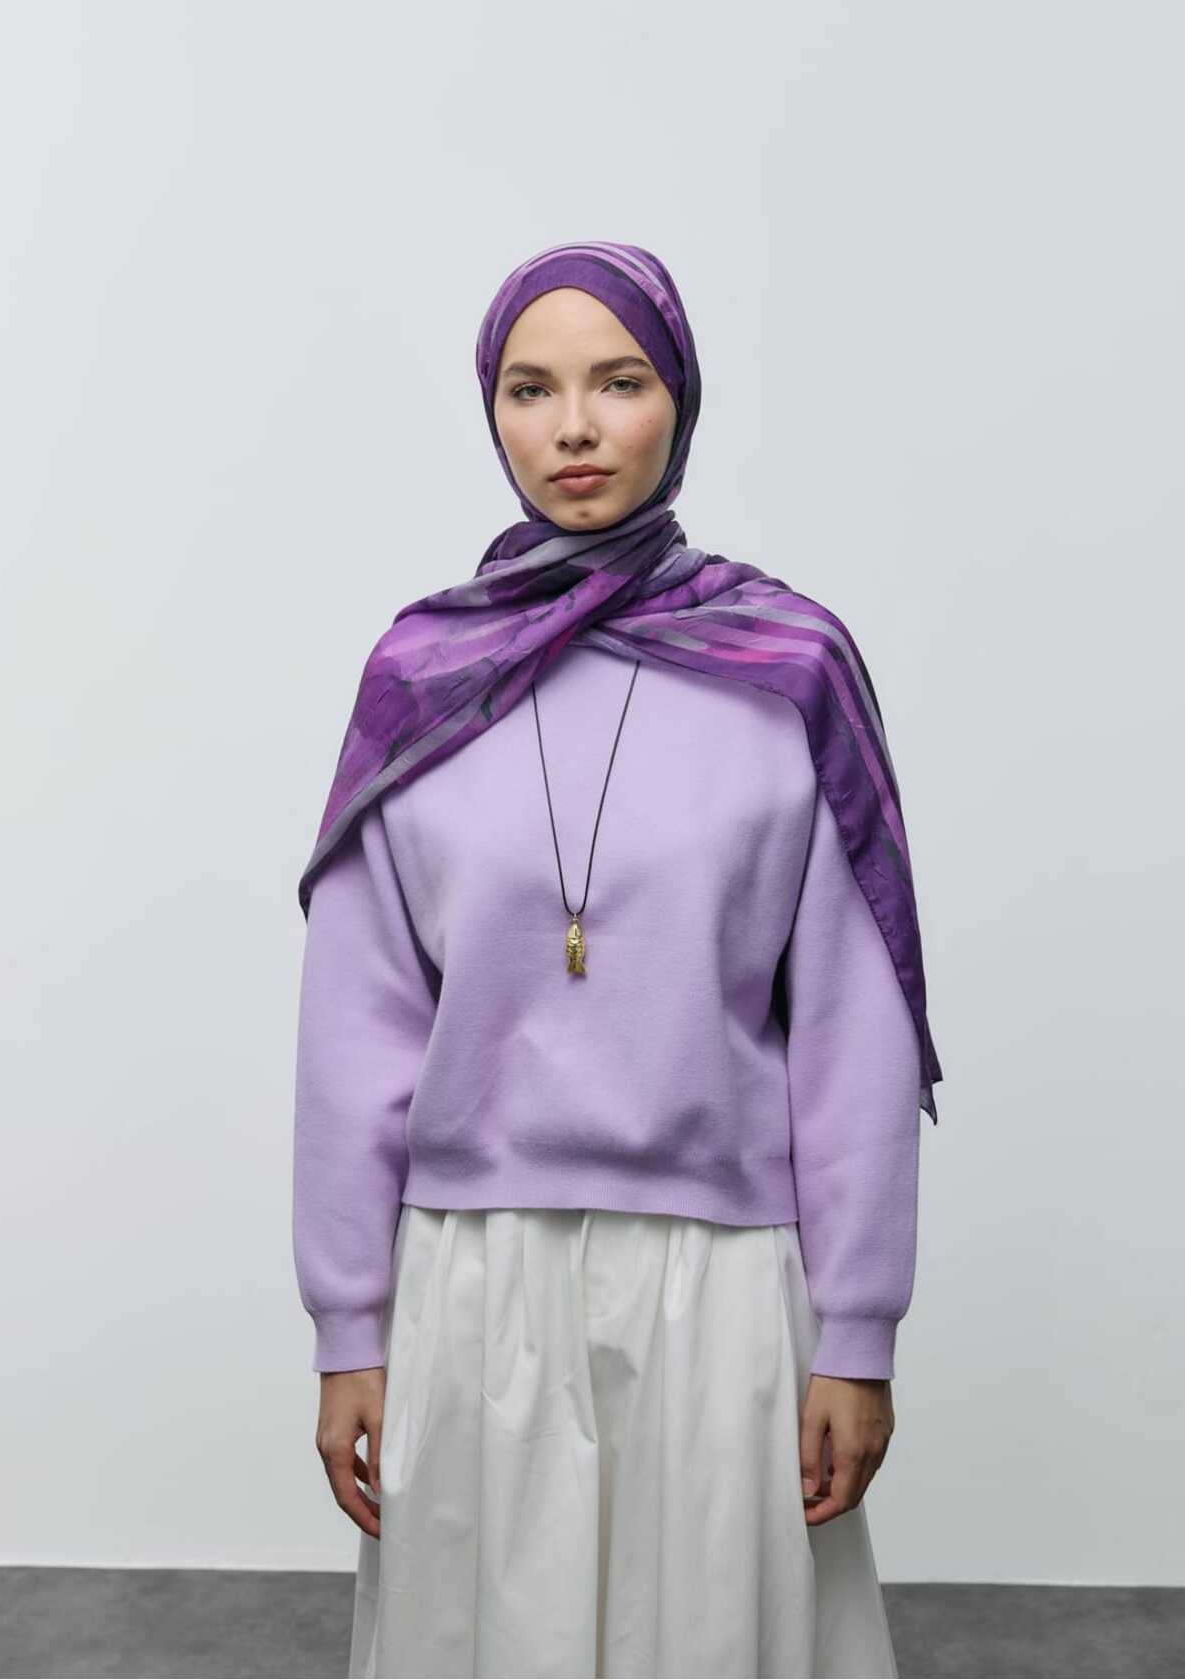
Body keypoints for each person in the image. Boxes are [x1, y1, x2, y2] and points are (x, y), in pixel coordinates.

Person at [291, 239, 942, 1679]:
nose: (575, 427)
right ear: (493, 412)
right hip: (473, 1281)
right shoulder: (421, 682)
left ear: (679, 401)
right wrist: (349, 1325)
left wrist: (859, 1334)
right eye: (531, 389)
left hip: (724, 1282)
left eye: (619, 381)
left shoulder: (791, 672)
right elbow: (356, 1031)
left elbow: (853, 1028)